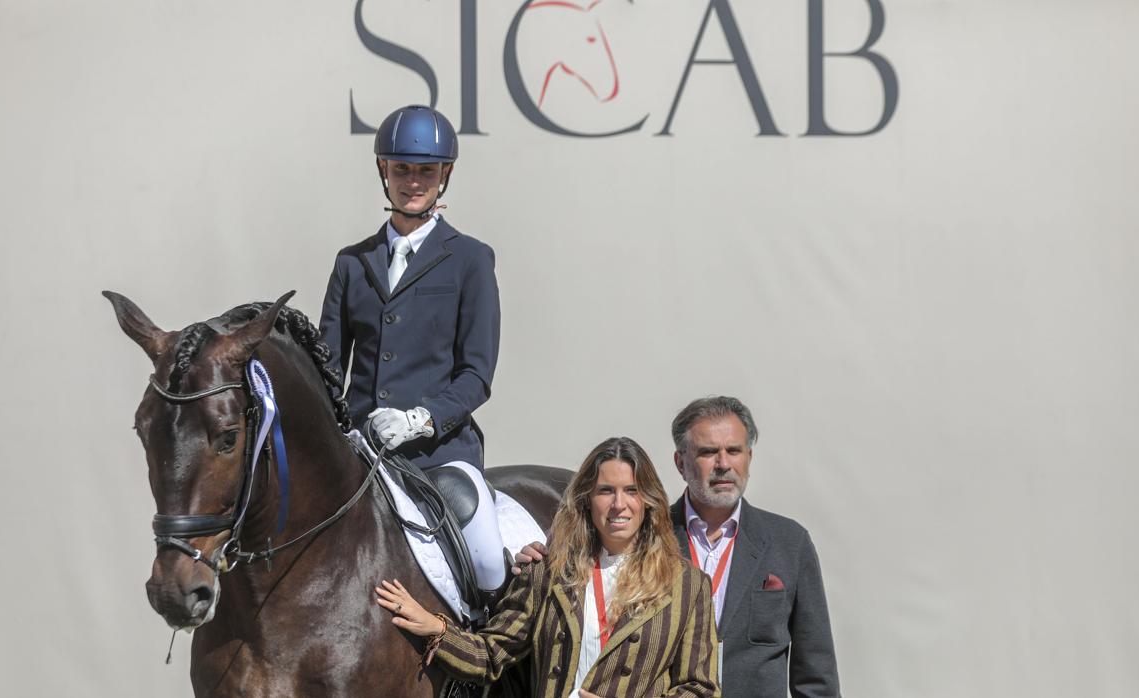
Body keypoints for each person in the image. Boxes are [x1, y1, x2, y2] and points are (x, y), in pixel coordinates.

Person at [516, 397, 842, 697]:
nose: (723, 463)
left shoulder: (789, 543)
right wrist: (537, 562)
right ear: (680, 463)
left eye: (734, 450)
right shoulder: (638, 540)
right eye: (708, 452)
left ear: (749, 457)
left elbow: (815, 675)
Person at [319, 105, 506, 596]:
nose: (413, 181)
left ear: (445, 175)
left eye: (426, 170)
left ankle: (487, 662)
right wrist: (344, 430)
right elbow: (328, 369)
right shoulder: (352, 263)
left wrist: (418, 420)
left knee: (488, 562)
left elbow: (476, 374)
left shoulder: (470, 259)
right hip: (361, 454)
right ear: (383, 170)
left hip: (438, 452)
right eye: (402, 168)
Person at [375, 437, 720, 698]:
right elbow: (491, 655)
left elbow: (700, 688)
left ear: (648, 500)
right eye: (605, 491)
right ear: (587, 499)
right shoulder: (546, 571)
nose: (619, 505)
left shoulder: (687, 585)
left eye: (631, 490)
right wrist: (435, 627)